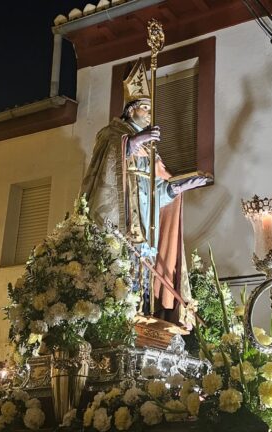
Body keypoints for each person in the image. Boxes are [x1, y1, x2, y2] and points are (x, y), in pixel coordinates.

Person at [81, 58, 206, 325]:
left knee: (142, 279)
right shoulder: (113, 134)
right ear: (130, 110)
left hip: (147, 225)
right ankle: (120, 321)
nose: (150, 114)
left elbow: (156, 191)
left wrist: (177, 187)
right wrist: (132, 142)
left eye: (150, 109)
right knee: (119, 276)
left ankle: (142, 316)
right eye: (145, 108)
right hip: (122, 223)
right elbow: (104, 165)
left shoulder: (151, 149)